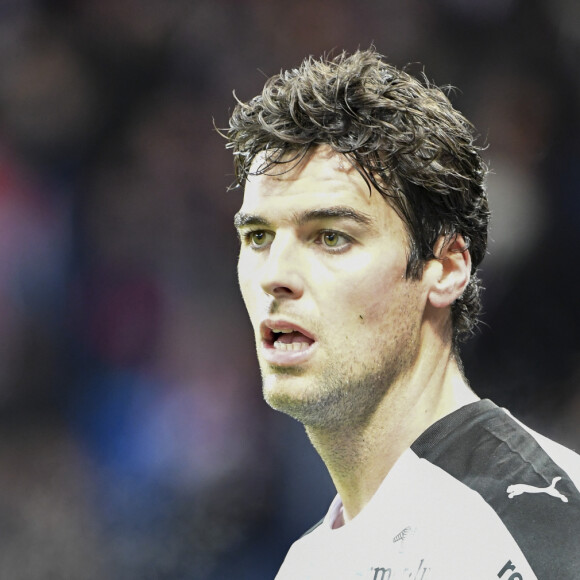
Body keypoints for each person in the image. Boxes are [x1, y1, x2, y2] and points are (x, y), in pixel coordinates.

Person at [224, 48, 580, 579]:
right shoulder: (308, 565)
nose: (276, 274)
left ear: (446, 268)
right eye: (258, 237)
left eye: (331, 237)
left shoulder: (539, 536)